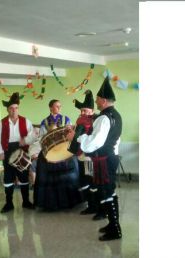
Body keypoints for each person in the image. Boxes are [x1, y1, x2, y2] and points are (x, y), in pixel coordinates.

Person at [67, 77, 123, 241]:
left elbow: (94, 143)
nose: (97, 102)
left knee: (107, 191)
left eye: (98, 99)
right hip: (108, 158)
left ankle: (115, 229)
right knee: (107, 191)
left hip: (104, 160)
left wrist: (75, 138)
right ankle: (112, 225)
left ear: (104, 100)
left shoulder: (104, 118)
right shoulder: (116, 115)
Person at [33, 99, 81, 210]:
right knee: (49, 176)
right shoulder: (44, 122)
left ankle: (70, 202)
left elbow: (70, 135)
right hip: (50, 152)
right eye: (56, 106)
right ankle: (51, 204)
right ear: (50, 108)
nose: (59, 108)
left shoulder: (66, 119)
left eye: (60, 106)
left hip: (64, 151)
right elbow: (41, 138)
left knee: (69, 172)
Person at [0, 92, 35, 213]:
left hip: (22, 150)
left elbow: (32, 135)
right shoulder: (1, 123)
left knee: (23, 177)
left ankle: (26, 201)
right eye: (11, 108)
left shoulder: (26, 121)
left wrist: (25, 140)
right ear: (7, 110)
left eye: (16, 108)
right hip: (7, 150)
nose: (14, 110)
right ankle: (9, 203)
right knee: (8, 178)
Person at [68, 90, 103, 217]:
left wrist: (75, 135)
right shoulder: (80, 121)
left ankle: (95, 206)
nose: (83, 113)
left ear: (92, 111)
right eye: (82, 111)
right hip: (81, 156)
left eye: (86, 111)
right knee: (85, 180)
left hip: (89, 157)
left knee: (91, 181)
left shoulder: (95, 121)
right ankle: (90, 205)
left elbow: (91, 139)